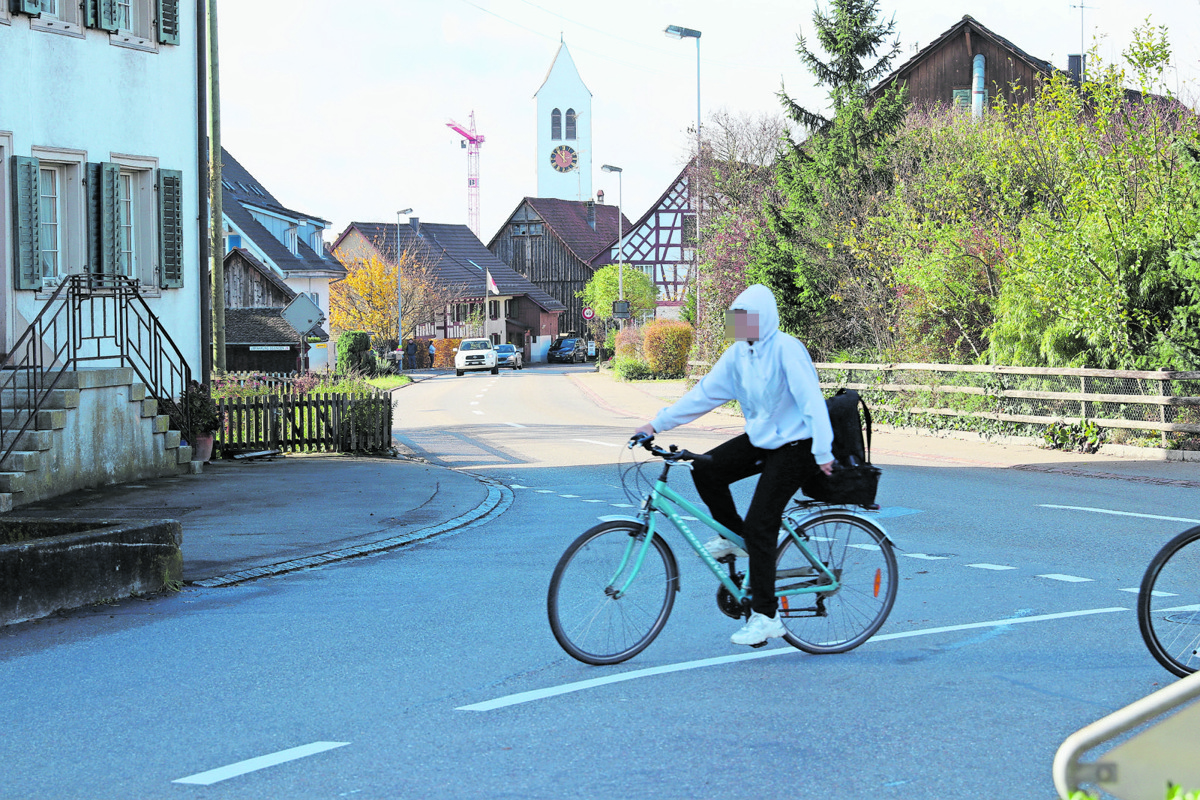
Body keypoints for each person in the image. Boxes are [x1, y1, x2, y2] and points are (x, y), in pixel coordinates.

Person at [634, 284, 834, 647]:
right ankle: (733, 536)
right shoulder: (738, 354)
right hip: (763, 440)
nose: (740, 326)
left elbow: (812, 402)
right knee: (706, 468)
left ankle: (767, 616)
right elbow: (703, 395)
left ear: (764, 319)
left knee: (761, 524)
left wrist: (823, 451)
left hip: (798, 445)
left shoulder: (787, 349)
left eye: (747, 319)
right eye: (736, 319)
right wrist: (655, 424)